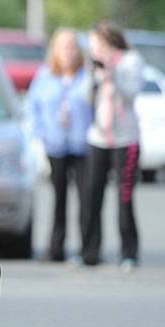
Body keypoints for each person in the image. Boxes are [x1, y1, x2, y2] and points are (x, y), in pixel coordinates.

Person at [26, 28, 92, 262]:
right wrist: (40, 134)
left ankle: (89, 250)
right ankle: (56, 248)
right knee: (58, 198)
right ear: (55, 50)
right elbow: (32, 107)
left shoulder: (87, 75)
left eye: (73, 46)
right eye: (64, 46)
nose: (69, 52)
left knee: (87, 199)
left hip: (84, 145)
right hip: (55, 144)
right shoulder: (45, 75)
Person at [83, 21, 145, 269]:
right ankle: (90, 252)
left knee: (124, 197)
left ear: (108, 40)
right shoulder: (93, 63)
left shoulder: (131, 60)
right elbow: (87, 97)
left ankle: (129, 252)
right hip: (98, 137)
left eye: (97, 43)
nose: (94, 48)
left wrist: (112, 73)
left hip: (125, 139)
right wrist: (95, 77)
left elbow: (130, 94)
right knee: (91, 195)